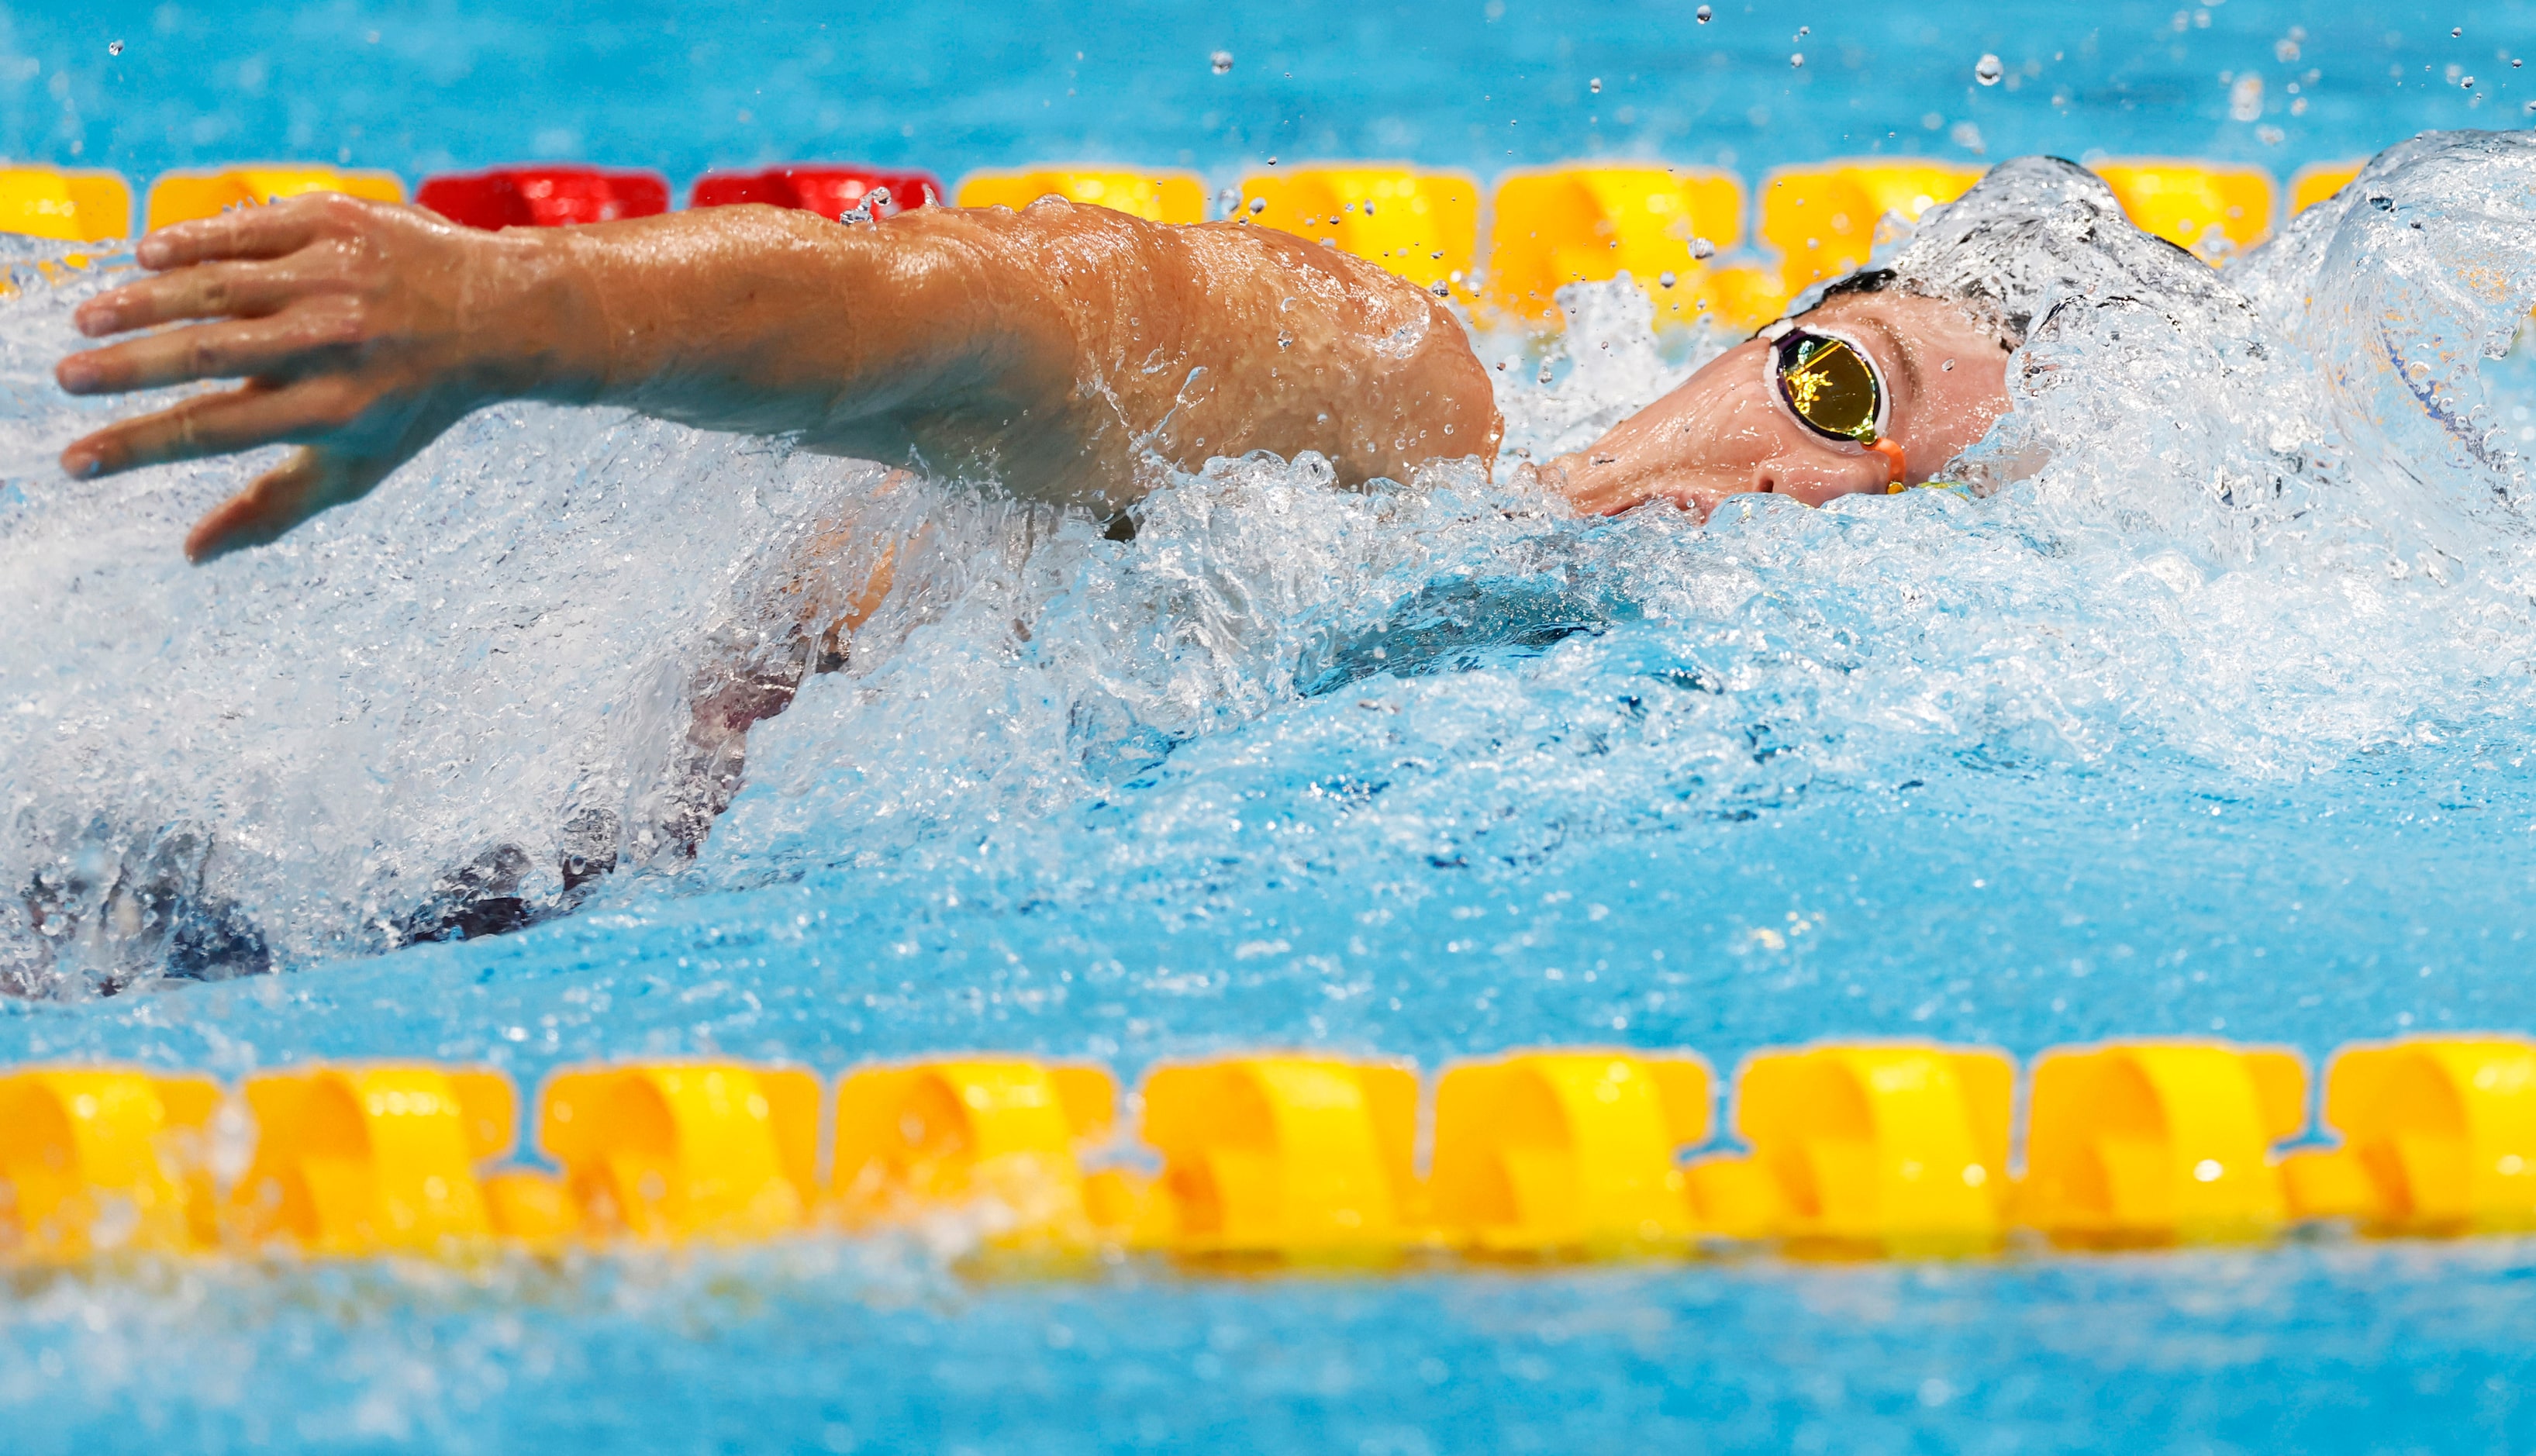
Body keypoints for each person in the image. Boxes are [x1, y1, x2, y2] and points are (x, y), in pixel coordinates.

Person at [46, 156, 2089, 939]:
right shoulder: (1401, 424)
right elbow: (1014, 305)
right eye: (1845, 394)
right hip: (224, 770)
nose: (1820, 496)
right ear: (1757, 341)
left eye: (1920, 523)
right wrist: (496, 323)